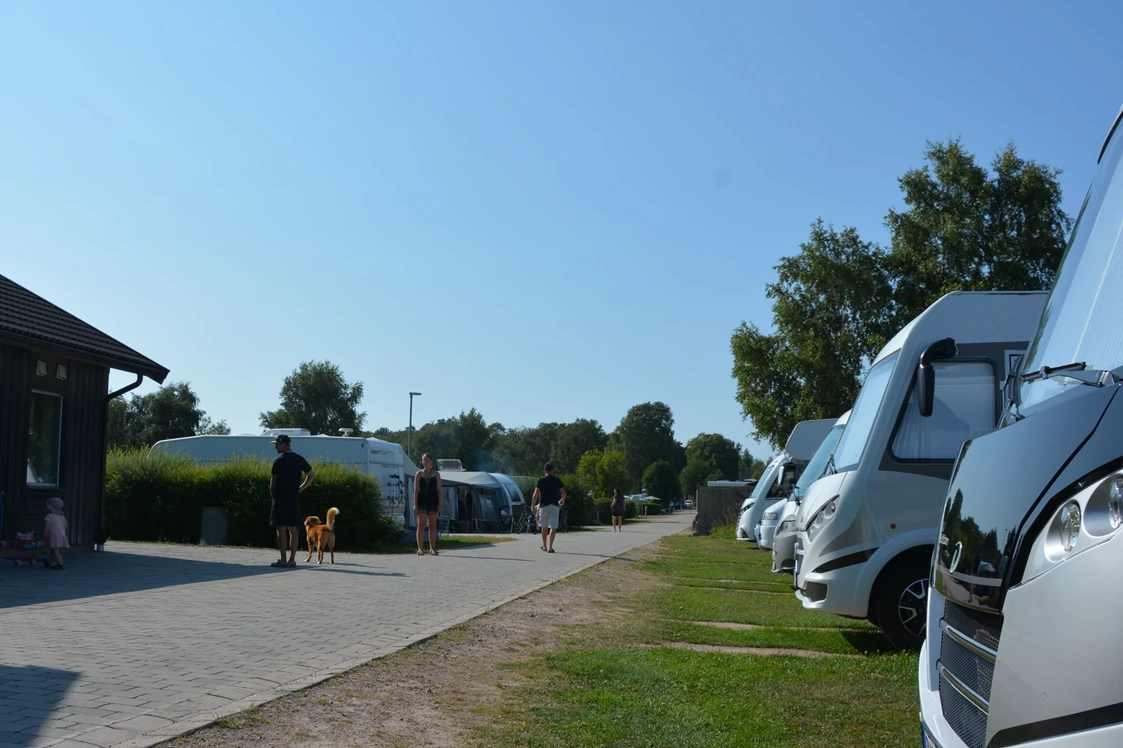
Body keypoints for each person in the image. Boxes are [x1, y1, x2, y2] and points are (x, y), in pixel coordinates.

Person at [269, 434, 315, 568]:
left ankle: (283, 560)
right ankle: (292, 560)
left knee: (281, 529)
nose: (275, 447)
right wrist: (300, 488)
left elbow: (273, 482)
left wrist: (272, 495)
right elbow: (311, 476)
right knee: (293, 530)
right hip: (294, 499)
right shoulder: (299, 460)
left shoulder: (278, 461)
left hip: (280, 498)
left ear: (284, 444)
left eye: (277, 444)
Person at [531, 462, 566, 553]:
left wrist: (532, 505)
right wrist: (562, 499)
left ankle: (544, 545)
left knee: (544, 526)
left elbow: (535, 494)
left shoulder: (541, 480)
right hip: (554, 505)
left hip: (544, 505)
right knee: (553, 526)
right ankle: (550, 547)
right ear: (552, 470)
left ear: (544, 470)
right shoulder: (557, 480)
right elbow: (563, 492)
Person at [413, 453, 442, 555]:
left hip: (433, 502)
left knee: (432, 525)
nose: (425, 462)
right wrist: (415, 504)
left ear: (431, 461)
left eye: (426, 460)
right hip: (422, 502)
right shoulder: (419, 474)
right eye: (423, 460)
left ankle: (432, 548)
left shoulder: (436, 474)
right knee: (421, 525)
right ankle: (420, 548)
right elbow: (416, 490)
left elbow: (439, 490)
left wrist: (440, 503)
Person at [44, 496, 69, 570]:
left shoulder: (49, 516)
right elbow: (65, 526)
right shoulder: (62, 517)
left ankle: (61, 565)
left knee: (55, 552)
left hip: (54, 536)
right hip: (61, 535)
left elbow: (46, 526)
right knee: (54, 551)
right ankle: (48, 562)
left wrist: (45, 534)